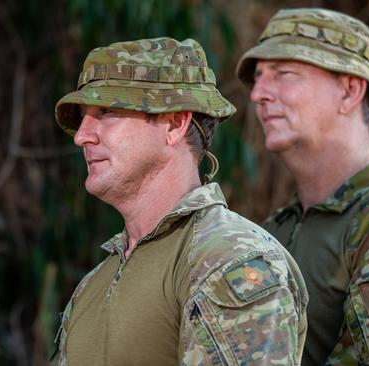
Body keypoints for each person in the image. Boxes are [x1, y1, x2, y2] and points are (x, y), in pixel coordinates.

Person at [52, 37, 308, 365]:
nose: (81, 135)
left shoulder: (229, 259)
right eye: (84, 117)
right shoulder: (90, 287)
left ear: (174, 124)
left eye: (107, 111)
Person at [236, 7, 369, 365]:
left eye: (284, 75)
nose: (258, 93)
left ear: (350, 91)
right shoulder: (271, 231)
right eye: (259, 77)